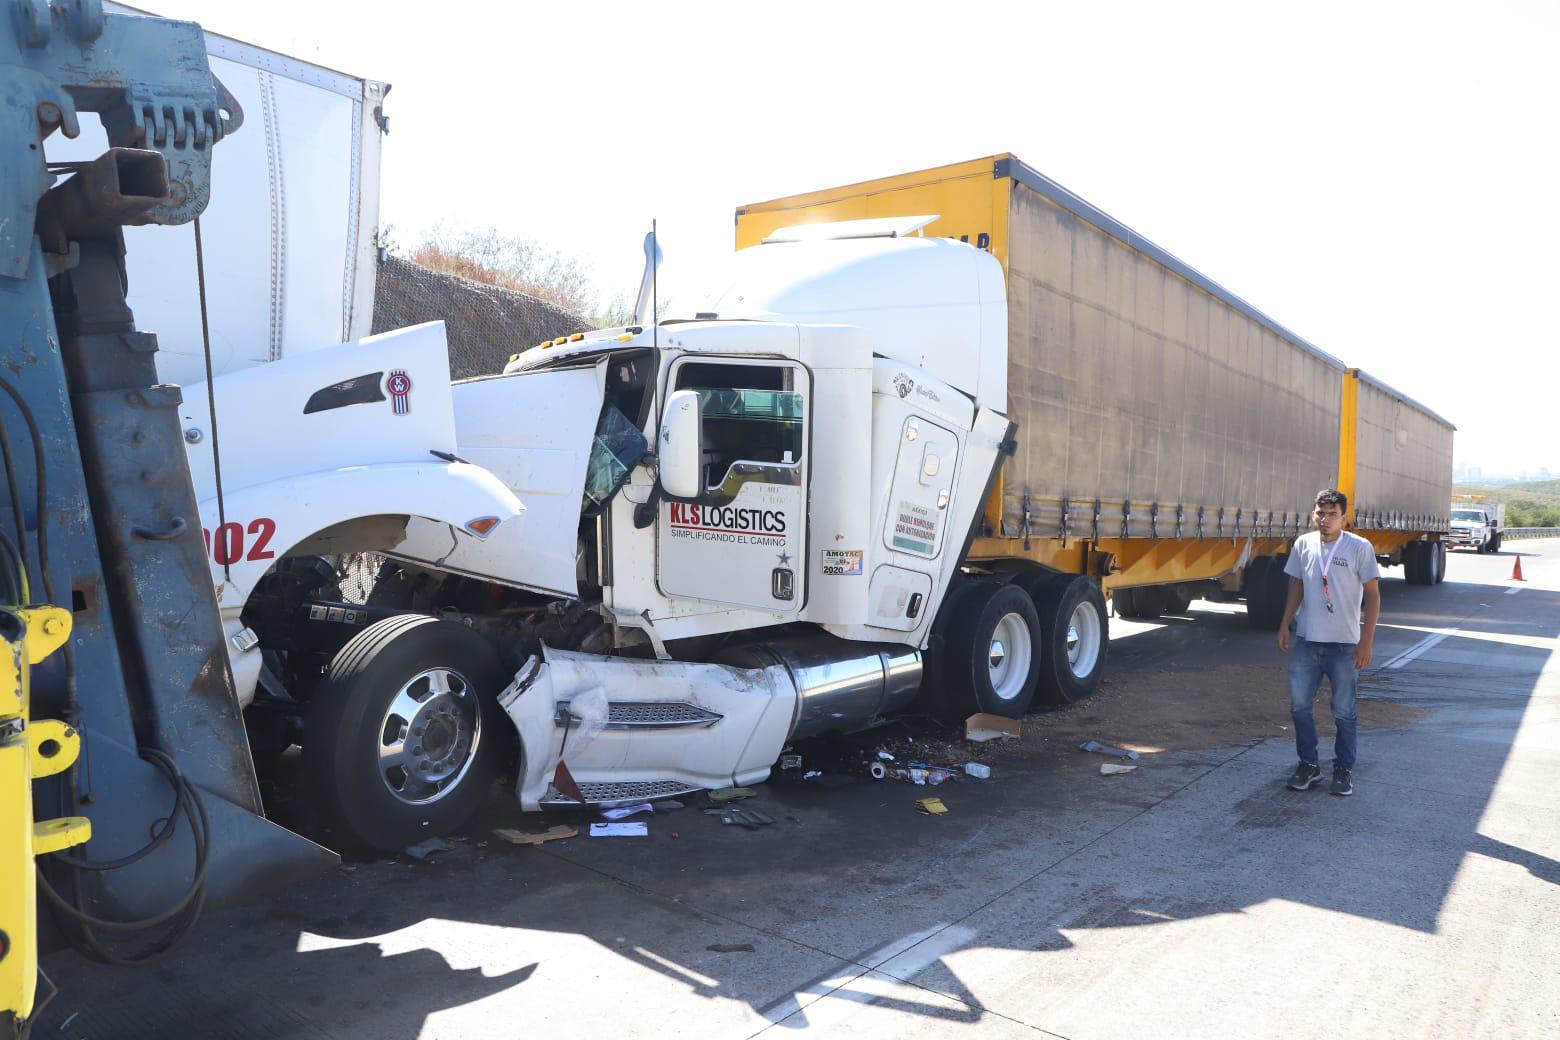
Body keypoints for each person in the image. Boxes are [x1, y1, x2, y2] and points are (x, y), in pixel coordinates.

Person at [1277, 488, 1381, 796]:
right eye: (1320, 514)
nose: (1325, 520)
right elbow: (1297, 584)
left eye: (1332, 515)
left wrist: (1366, 642)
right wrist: (1285, 623)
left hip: (1344, 645)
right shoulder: (1303, 544)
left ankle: (1343, 769)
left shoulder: (1359, 548)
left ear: (1344, 519)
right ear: (1313, 514)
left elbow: (1373, 595)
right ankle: (1308, 765)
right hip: (1307, 641)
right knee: (1299, 706)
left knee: (1343, 710)